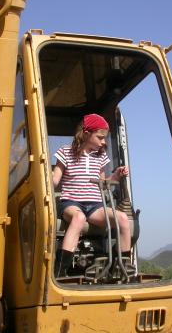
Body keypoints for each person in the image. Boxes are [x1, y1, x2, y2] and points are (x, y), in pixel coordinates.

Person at [52, 113, 131, 277]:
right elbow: (55, 179)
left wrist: (116, 175)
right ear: (87, 133)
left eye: (104, 138)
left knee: (123, 218)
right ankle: (60, 270)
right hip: (71, 202)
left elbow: (102, 184)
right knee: (79, 218)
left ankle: (121, 268)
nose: (103, 141)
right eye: (100, 137)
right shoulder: (65, 152)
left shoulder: (100, 157)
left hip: (95, 205)